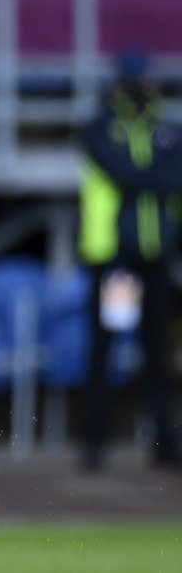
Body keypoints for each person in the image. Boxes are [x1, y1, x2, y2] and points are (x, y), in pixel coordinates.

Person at [77, 46, 182, 472]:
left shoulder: (167, 129)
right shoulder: (100, 127)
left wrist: (150, 178)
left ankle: (164, 444)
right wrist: (156, 177)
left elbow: (170, 177)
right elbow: (125, 171)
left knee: (157, 352)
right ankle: (94, 444)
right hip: (115, 260)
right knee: (105, 351)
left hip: (155, 259)